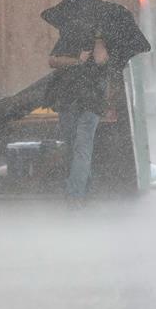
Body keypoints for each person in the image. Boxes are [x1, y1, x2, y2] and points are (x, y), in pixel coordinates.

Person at [47, 28, 109, 205]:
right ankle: (84, 189)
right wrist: (77, 60)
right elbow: (52, 60)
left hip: (88, 102)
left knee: (80, 147)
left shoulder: (102, 41)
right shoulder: (70, 37)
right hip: (72, 100)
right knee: (76, 147)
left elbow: (101, 61)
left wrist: (98, 44)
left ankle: (75, 195)